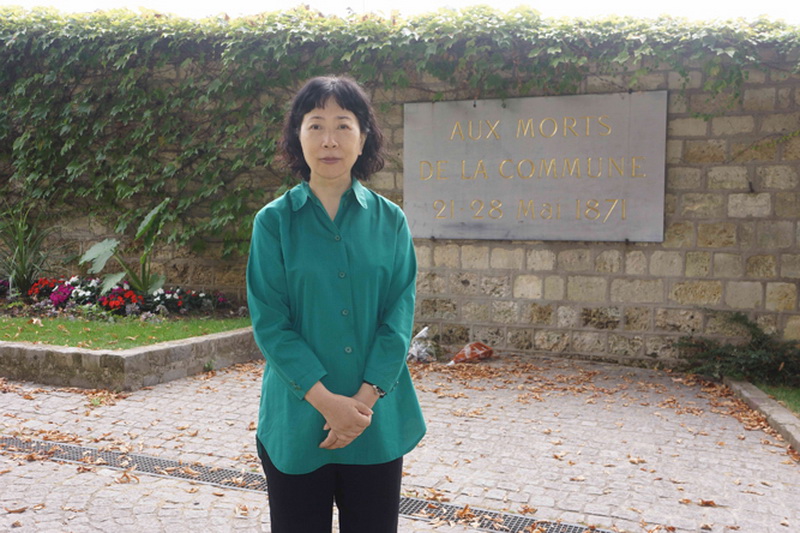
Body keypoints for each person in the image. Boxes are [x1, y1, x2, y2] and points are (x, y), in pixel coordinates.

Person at [246, 75, 427, 533]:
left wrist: (360, 405)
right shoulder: (273, 223)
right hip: (297, 417)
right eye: (316, 125)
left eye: (343, 125)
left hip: (374, 421)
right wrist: (328, 404)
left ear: (363, 138)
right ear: (297, 136)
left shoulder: (390, 221)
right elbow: (271, 323)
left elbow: (398, 318)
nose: (330, 140)